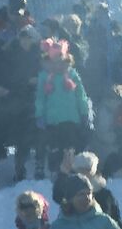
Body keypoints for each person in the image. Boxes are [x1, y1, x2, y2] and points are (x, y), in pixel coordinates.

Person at [0, 25, 42, 180]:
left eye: (28, 39)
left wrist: (37, 81)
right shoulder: (11, 55)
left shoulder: (37, 54)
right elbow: (8, 77)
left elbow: (43, 73)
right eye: (23, 38)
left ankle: (36, 164)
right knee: (21, 134)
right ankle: (19, 168)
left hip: (34, 98)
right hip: (17, 98)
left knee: (36, 131)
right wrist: (27, 81)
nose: (26, 42)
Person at [34, 38, 91, 179]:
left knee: (70, 145)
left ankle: (71, 169)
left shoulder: (72, 74)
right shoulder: (44, 77)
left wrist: (84, 112)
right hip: (53, 119)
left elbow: (81, 95)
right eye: (55, 59)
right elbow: (40, 97)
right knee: (55, 146)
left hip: (71, 117)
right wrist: (39, 115)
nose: (58, 62)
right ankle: (55, 170)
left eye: (60, 58)